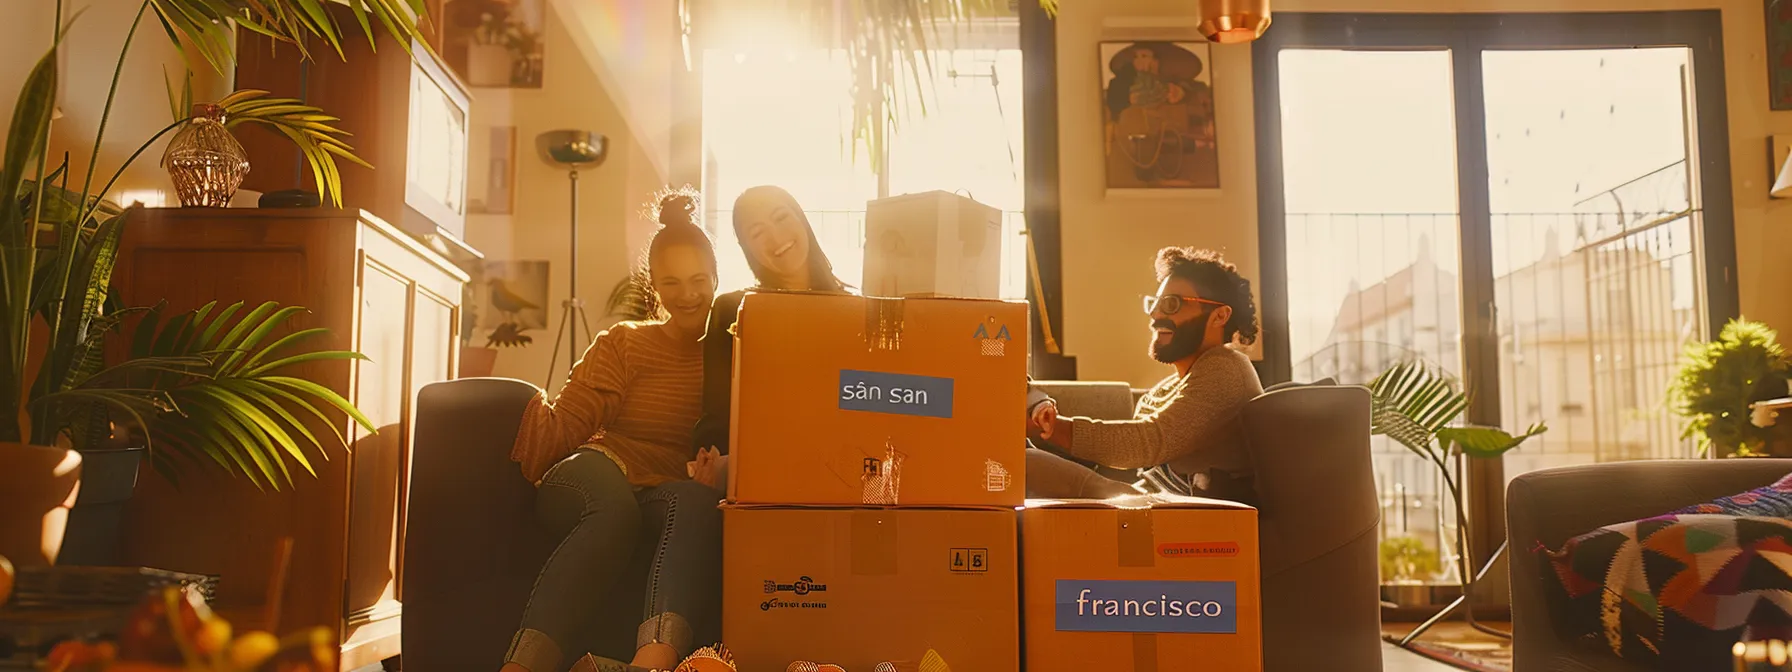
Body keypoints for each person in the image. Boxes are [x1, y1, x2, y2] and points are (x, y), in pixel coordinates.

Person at [503, 191, 725, 672]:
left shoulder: (730, 358)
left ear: (716, 278)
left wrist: (722, 471)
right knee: (613, 510)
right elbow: (570, 424)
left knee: (695, 501)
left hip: (662, 487)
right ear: (655, 287)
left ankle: (651, 665)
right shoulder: (626, 342)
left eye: (698, 280)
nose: (687, 294)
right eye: (672, 282)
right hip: (593, 470)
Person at [1024, 247, 1265, 504]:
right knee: (1015, 456)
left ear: (1219, 316)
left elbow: (1146, 443)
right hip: (1153, 501)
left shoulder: (1226, 368)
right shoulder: (1165, 389)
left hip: (1196, 516)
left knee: (1028, 464)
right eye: (1155, 304)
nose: (1155, 314)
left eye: (1171, 304)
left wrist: (1051, 428)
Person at [690, 186, 853, 467]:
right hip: (763, 463)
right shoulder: (733, 310)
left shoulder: (852, 311)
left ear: (801, 219)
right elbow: (717, 414)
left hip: (840, 462)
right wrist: (714, 458)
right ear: (747, 249)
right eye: (757, 232)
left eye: (781, 218)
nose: (775, 237)